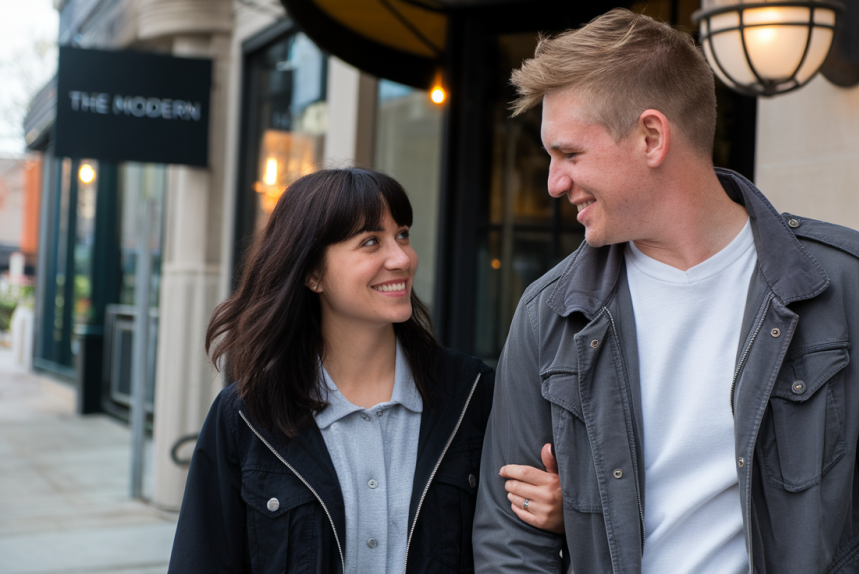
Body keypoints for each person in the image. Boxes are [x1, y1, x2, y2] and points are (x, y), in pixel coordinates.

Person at [472, 8, 859, 574]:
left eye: (570, 154)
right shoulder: (549, 314)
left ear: (651, 136)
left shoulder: (852, 281)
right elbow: (509, 543)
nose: (554, 183)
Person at [168, 168, 563, 573]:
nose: (402, 258)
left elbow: (518, 541)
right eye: (371, 241)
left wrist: (565, 515)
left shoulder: (471, 394)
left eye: (403, 234)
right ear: (312, 273)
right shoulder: (247, 418)